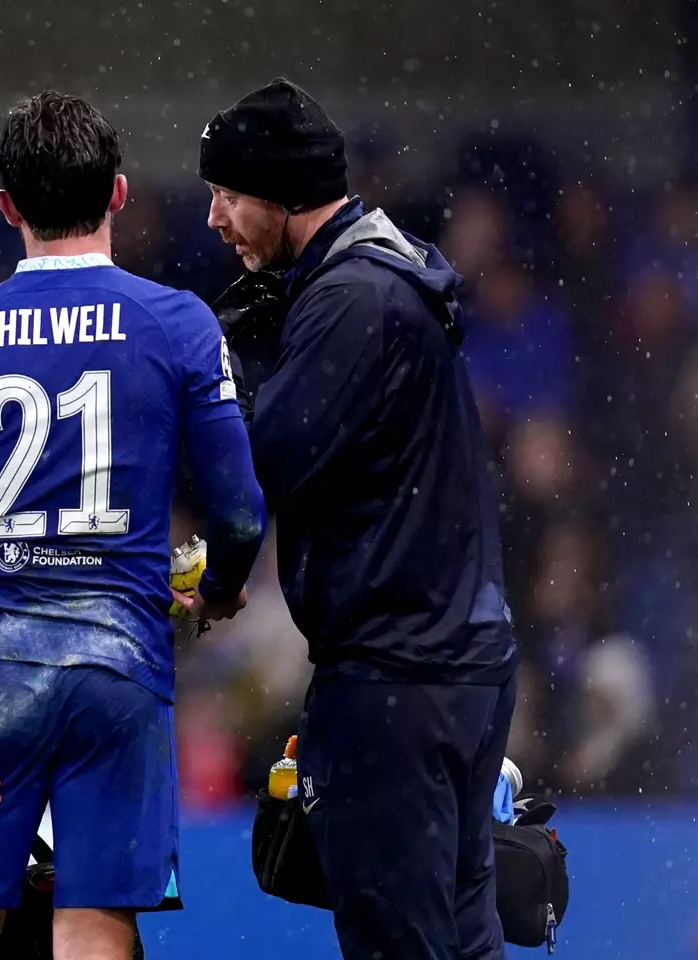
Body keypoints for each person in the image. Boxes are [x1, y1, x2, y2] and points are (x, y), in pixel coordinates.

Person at [0, 91, 267, 960]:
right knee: (95, 928)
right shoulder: (179, 322)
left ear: (7, 208)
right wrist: (211, 595)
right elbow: (241, 512)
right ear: (122, 193)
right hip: (119, 670)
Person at [196, 78, 520, 960]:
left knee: (398, 944)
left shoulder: (350, 299)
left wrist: (230, 376)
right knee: (462, 938)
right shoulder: (386, 270)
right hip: (457, 661)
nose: (215, 219)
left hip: (396, 679)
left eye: (228, 195)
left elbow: (267, 462)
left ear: (283, 194)